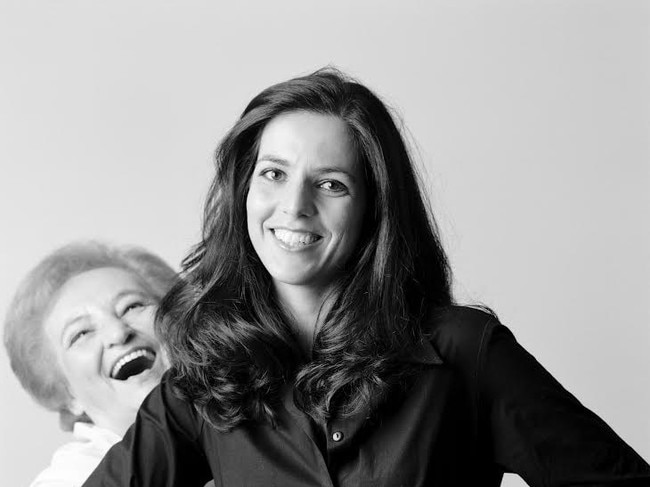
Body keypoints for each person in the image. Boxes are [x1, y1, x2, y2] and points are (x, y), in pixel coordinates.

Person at [84, 69, 650, 486]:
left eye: (331, 184)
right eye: (274, 174)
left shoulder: (464, 353)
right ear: (243, 191)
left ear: (373, 210)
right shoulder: (202, 384)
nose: (294, 206)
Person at [4, 241, 176, 487]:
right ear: (66, 393)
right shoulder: (70, 479)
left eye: (132, 306)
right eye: (81, 333)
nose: (118, 333)